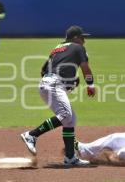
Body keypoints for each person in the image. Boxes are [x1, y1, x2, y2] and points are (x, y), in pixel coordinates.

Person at [20, 25, 96, 166]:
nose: (84, 41)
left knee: (70, 119)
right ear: (75, 38)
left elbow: (43, 70)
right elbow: (85, 67)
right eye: (82, 37)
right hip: (54, 84)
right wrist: (90, 85)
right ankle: (31, 135)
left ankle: (70, 158)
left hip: (48, 83)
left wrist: (68, 81)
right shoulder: (78, 47)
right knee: (66, 115)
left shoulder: (57, 48)